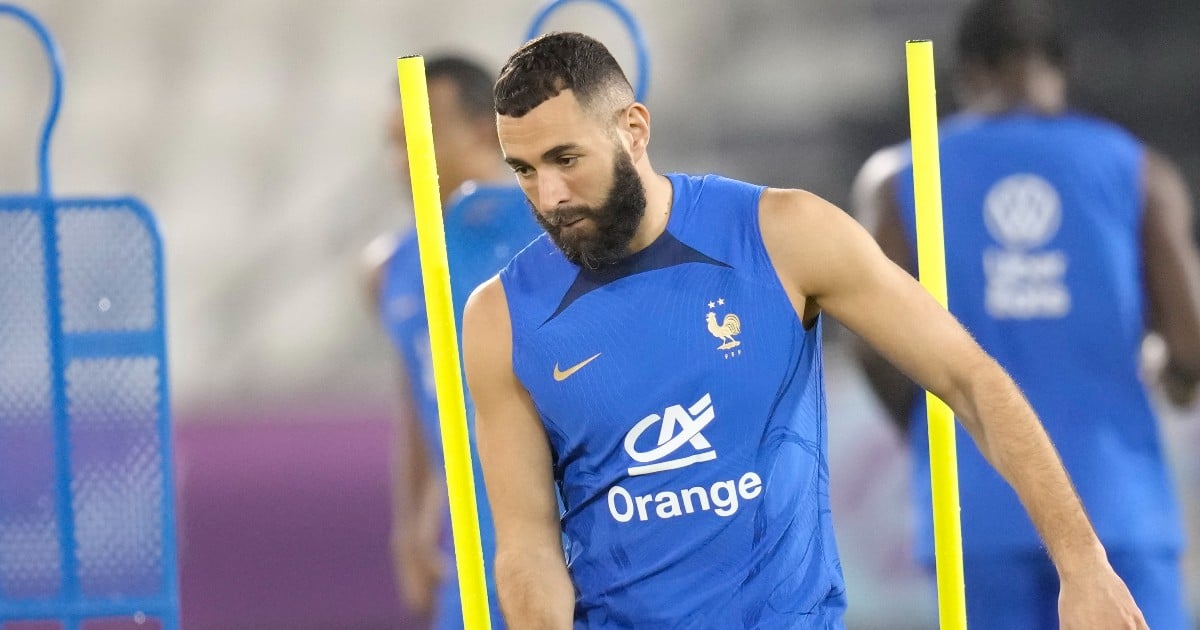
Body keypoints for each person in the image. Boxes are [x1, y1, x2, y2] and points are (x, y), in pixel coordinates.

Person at [460, 30, 1148, 628]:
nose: (547, 197)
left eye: (565, 159)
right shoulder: (501, 316)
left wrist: (1084, 566)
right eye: (524, 171)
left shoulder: (783, 233)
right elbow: (526, 544)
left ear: (634, 128)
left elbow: (970, 379)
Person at [851, 1, 1200, 628]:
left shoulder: (896, 177)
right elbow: (1192, 344)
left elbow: (873, 344)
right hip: (1116, 503)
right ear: (1059, 67)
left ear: (968, 72)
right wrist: (1174, 376)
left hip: (975, 507)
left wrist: (932, 432)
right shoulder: (1139, 169)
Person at [361, 54, 541, 629]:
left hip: (564, 544)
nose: (404, 160)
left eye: (422, 134)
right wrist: (411, 520)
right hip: (468, 560)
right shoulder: (388, 269)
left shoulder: (554, 237)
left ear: (486, 130)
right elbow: (417, 393)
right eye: (396, 143)